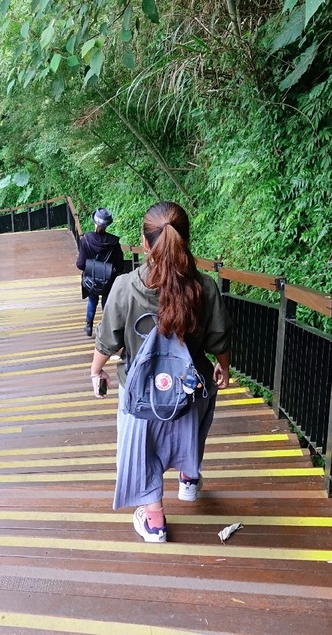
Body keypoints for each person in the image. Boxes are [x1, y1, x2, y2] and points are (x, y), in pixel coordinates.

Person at [88, 201, 231, 543]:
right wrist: (223, 369)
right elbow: (219, 339)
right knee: (195, 416)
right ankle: (188, 479)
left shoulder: (124, 287)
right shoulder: (205, 287)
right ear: (186, 240)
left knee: (144, 445)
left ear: (144, 242)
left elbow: (107, 341)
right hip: (188, 386)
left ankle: (154, 521)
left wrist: (96, 372)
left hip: (141, 394)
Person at [76, 207, 124, 338]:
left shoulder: (86, 239)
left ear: (94, 222)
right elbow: (120, 264)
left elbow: (80, 264)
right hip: (108, 280)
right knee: (106, 302)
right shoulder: (114, 242)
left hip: (91, 280)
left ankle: (88, 325)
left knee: (92, 300)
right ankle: (107, 329)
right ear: (108, 224)